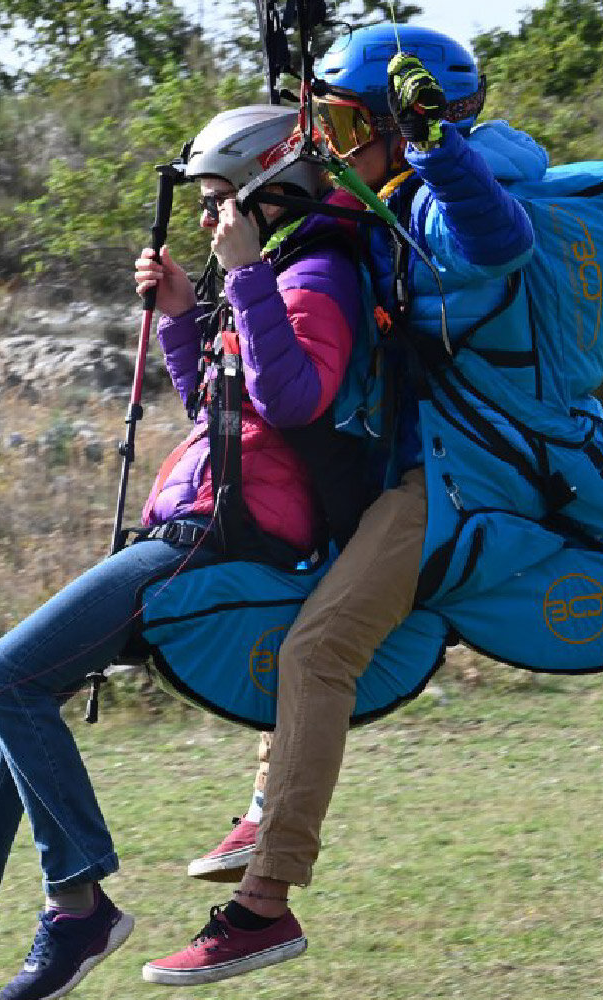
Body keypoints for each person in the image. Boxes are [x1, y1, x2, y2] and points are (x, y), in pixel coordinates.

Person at [0, 104, 366, 1000]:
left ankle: (76, 907)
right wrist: (183, 315)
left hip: (222, 537)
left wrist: (246, 276)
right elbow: (221, 410)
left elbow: (294, 403)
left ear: (271, 193)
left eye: (218, 201)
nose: (206, 220)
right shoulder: (276, 272)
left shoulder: (317, 275)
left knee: (5, 677)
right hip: (197, 526)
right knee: (18, 689)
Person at [143, 24, 547, 985]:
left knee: (318, 652)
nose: (326, 141)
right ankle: (265, 808)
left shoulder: (442, 202)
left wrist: (434, 143)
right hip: (410, 465)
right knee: (301, 617)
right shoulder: (379, 207)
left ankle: (265, 907)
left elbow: (502, 243)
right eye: (322, 119)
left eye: (347, 123)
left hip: (457, 479)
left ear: (408, 126)